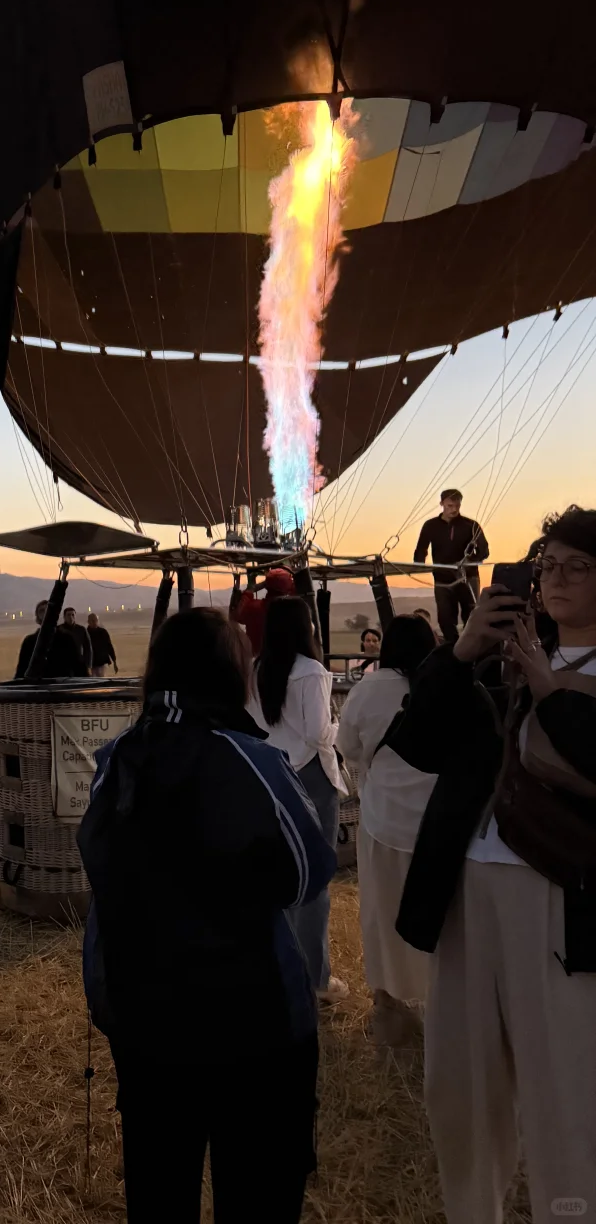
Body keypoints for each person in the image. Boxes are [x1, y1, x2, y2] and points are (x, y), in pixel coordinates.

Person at [78, 608, 336, 1224]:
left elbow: (104, 867)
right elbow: (308, 873)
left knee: (159, 1184)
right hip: (255, 1021)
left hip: (143, 1016)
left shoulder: (115, 760)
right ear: (230, 674)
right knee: (259, 1189)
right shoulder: (254, 760)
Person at [387, 506, 596, 1224]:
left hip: (560, 901)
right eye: (549, 565)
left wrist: (546, 687)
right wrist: (460, 652)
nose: (558, 579)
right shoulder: (501, 664)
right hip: (466, 892)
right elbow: (416, 743)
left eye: (579, 565)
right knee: (460, 1085)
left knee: (563, 1089)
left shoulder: (550, 672)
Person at [335, 613, 437, 1045]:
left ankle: (389, 1008)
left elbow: (348, 746)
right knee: (440, 920)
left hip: (382, 825)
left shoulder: (369, 688)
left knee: (382, 915)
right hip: (439, 826)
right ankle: (440, 1007)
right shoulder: (444, 685)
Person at [247, 596, 348, 1002]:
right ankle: (316, 979)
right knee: (315, 878)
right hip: (311, 777)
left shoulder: (254, 670)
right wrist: (341, 725)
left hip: (270, 775)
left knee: (276, 876)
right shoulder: (313, 673)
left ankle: (279, 970)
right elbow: (318, 734)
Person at [413, 488, 489, 644]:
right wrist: (418, 565)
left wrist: (468, 561)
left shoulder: (471, 525)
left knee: (471, 614)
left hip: (467, 577)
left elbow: (484, 550)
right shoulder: (430, 525)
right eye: (450, 506)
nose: (454, 510)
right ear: (441, 504)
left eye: (457, 506)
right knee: (446, 618)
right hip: (442, 578)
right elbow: (421, 549)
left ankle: (471, 647)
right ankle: (452, 649)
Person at [231, 567, 296, 656]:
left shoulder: (254, 608)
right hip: (284, 661)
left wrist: (250, 589)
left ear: (267, 587)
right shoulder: (293, 612)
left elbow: (235, 616)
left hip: (258, 662)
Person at [14, 599, 81, 678]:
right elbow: (21, 670)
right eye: (42, 611)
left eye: (48, 610)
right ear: (37, 618)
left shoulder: (66, 639)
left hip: (62, 685)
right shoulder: (29, 642)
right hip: (39, 687)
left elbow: (78, 667)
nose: (45, 613)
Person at [61, 605, 93, 674]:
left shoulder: (81, 630)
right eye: (68, 615)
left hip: (79, 663)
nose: (71, 617)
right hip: (63, 664)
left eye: (73, 615)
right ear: (64, 617)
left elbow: (88, 648)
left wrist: (88, 665)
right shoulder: (59, 630)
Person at [86, 612, 118, 676]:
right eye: (92, 620)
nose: (94, 622)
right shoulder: (85, 633)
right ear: (88, 622)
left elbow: (109, 646)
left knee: (100, 681)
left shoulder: (103, 632)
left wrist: (114, 661)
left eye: (96, 620)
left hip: (101, 662)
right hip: (90, 664)